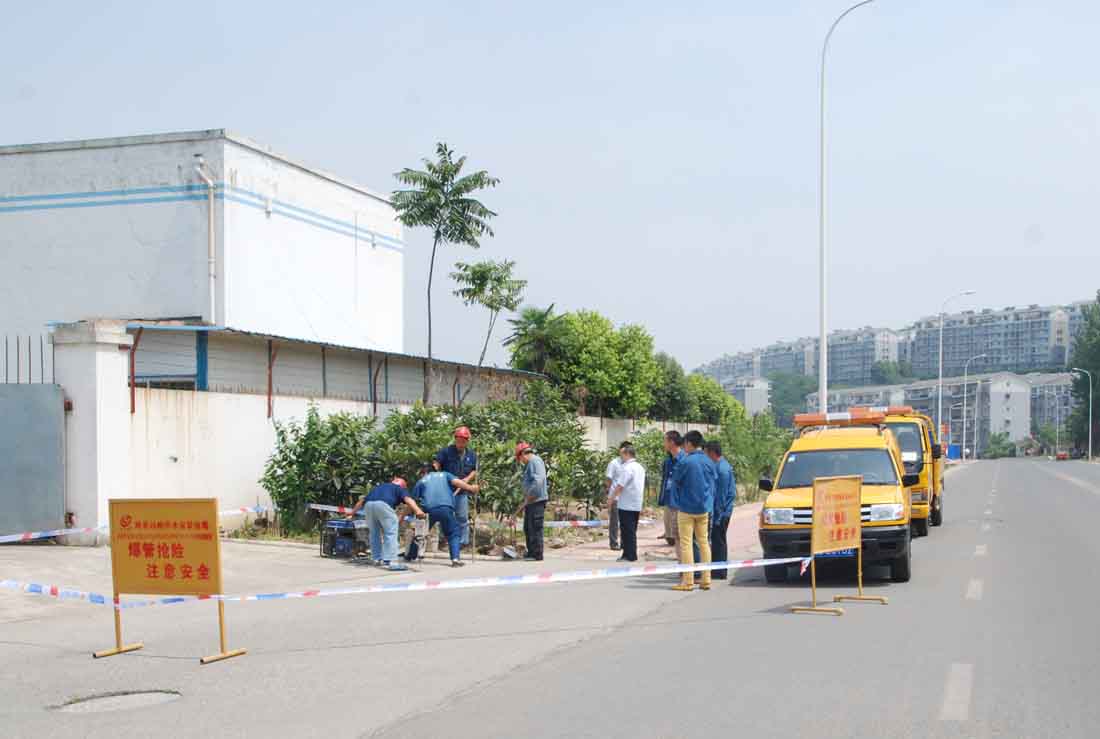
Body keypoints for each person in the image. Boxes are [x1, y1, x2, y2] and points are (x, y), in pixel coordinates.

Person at [405, 462, 480, 567]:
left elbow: (411, 501)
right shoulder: (445, 474)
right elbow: (457, 482)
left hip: (429, 510)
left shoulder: (421, 481)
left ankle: (410, 555)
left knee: (420, 533)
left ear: (424, 472)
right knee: (453, 532)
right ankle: (455, 559)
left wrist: (404, 516)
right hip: (445, 508)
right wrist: (471, 488)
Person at [348, 477, 426, 570]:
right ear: (403, 486)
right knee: (391, 533)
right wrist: (418, 510)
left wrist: (351, 513)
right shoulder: (399, 488)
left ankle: (376, 559)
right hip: (384, 505)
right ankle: (392, 561)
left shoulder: (380, 487)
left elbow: (361, 501)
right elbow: (408, 500)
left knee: (374, 533)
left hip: (368, 506)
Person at [671, 430, 716, 591]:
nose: (684, 446)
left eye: (685, 443)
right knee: (704, 543)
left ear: (689, 443)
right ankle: (706, 579)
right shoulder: (709, 461)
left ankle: (688, 581)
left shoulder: (685, 461)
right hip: (704, 508)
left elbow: (676, 481)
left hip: (686, 508)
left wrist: (676, 502)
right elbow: (713, 482)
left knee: (686, 544)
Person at [436, 426, 478, 549]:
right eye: (458, 441)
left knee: (462, 517)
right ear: (455, 439)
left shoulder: (472, 455)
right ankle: (444, 540)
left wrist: (467, 479)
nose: (460, 444)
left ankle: (463, 542)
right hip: (447, 490)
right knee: (445, 515)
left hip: (462, 492)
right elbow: (437, 464)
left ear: (467, 441)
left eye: (463, 441)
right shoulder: (446, 452)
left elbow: (474, 470)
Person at [705, 441, 736, 579]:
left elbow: (721, 496)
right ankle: (717, 569)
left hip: (722, 512)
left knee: (719, 541)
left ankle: (719, 571)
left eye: (706, 453)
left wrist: (717, 516)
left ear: (712, 453)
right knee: (717, 540)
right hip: (721, 511)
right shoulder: (721, 466)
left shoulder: (722, 469)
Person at [609, 443, 645, 562]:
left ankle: (629, 555)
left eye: (622, 455)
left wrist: (611, 498)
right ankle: (630, 554)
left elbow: (620, 485)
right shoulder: (640, 467)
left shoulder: (627, 468)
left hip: (626, 504)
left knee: (626, 531)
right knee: (632, 530)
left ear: (627, 454)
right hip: (636, 503)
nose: (621, 458)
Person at [514, 442, 548, 561]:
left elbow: (538, 481)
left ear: (523, 454)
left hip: (536, 500)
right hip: (531, 501)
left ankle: (537, 554)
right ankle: (531, 552)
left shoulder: (534, 461)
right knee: (528, 528)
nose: (521, 461)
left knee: (535, 527)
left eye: (520, 458)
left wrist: (530, 496)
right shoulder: (531, 463)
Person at [658, 431, 685, 546]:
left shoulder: (685, 460)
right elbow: (665, 480)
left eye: (665, 441)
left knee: (680, 537)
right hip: (669, 500)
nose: (663, 443)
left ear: (672, 442)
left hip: (680, 503)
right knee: (670, 536)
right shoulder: (668, 461)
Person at [604, 443, 626, 551]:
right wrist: (608, 493)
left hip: (626, 498)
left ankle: (624, 543)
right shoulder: (614, 463)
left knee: (625, 522)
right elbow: (608, 479)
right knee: (614, 521)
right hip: (615, 497)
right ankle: (613, 543)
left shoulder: (630, 464)